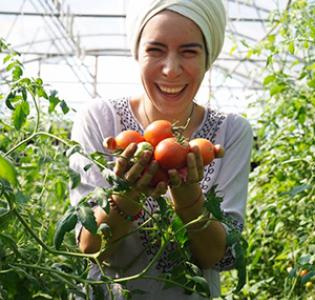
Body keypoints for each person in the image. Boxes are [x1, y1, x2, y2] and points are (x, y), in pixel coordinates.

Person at [69, 0, 253, 299]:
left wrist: (189, 198)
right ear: (137, 54)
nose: (170, 69)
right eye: (155, 50)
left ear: (209, 58)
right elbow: (90, 247)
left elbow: (215, 256)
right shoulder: (99, 119)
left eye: (189, 51)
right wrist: (127, 194)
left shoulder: (231, 131)